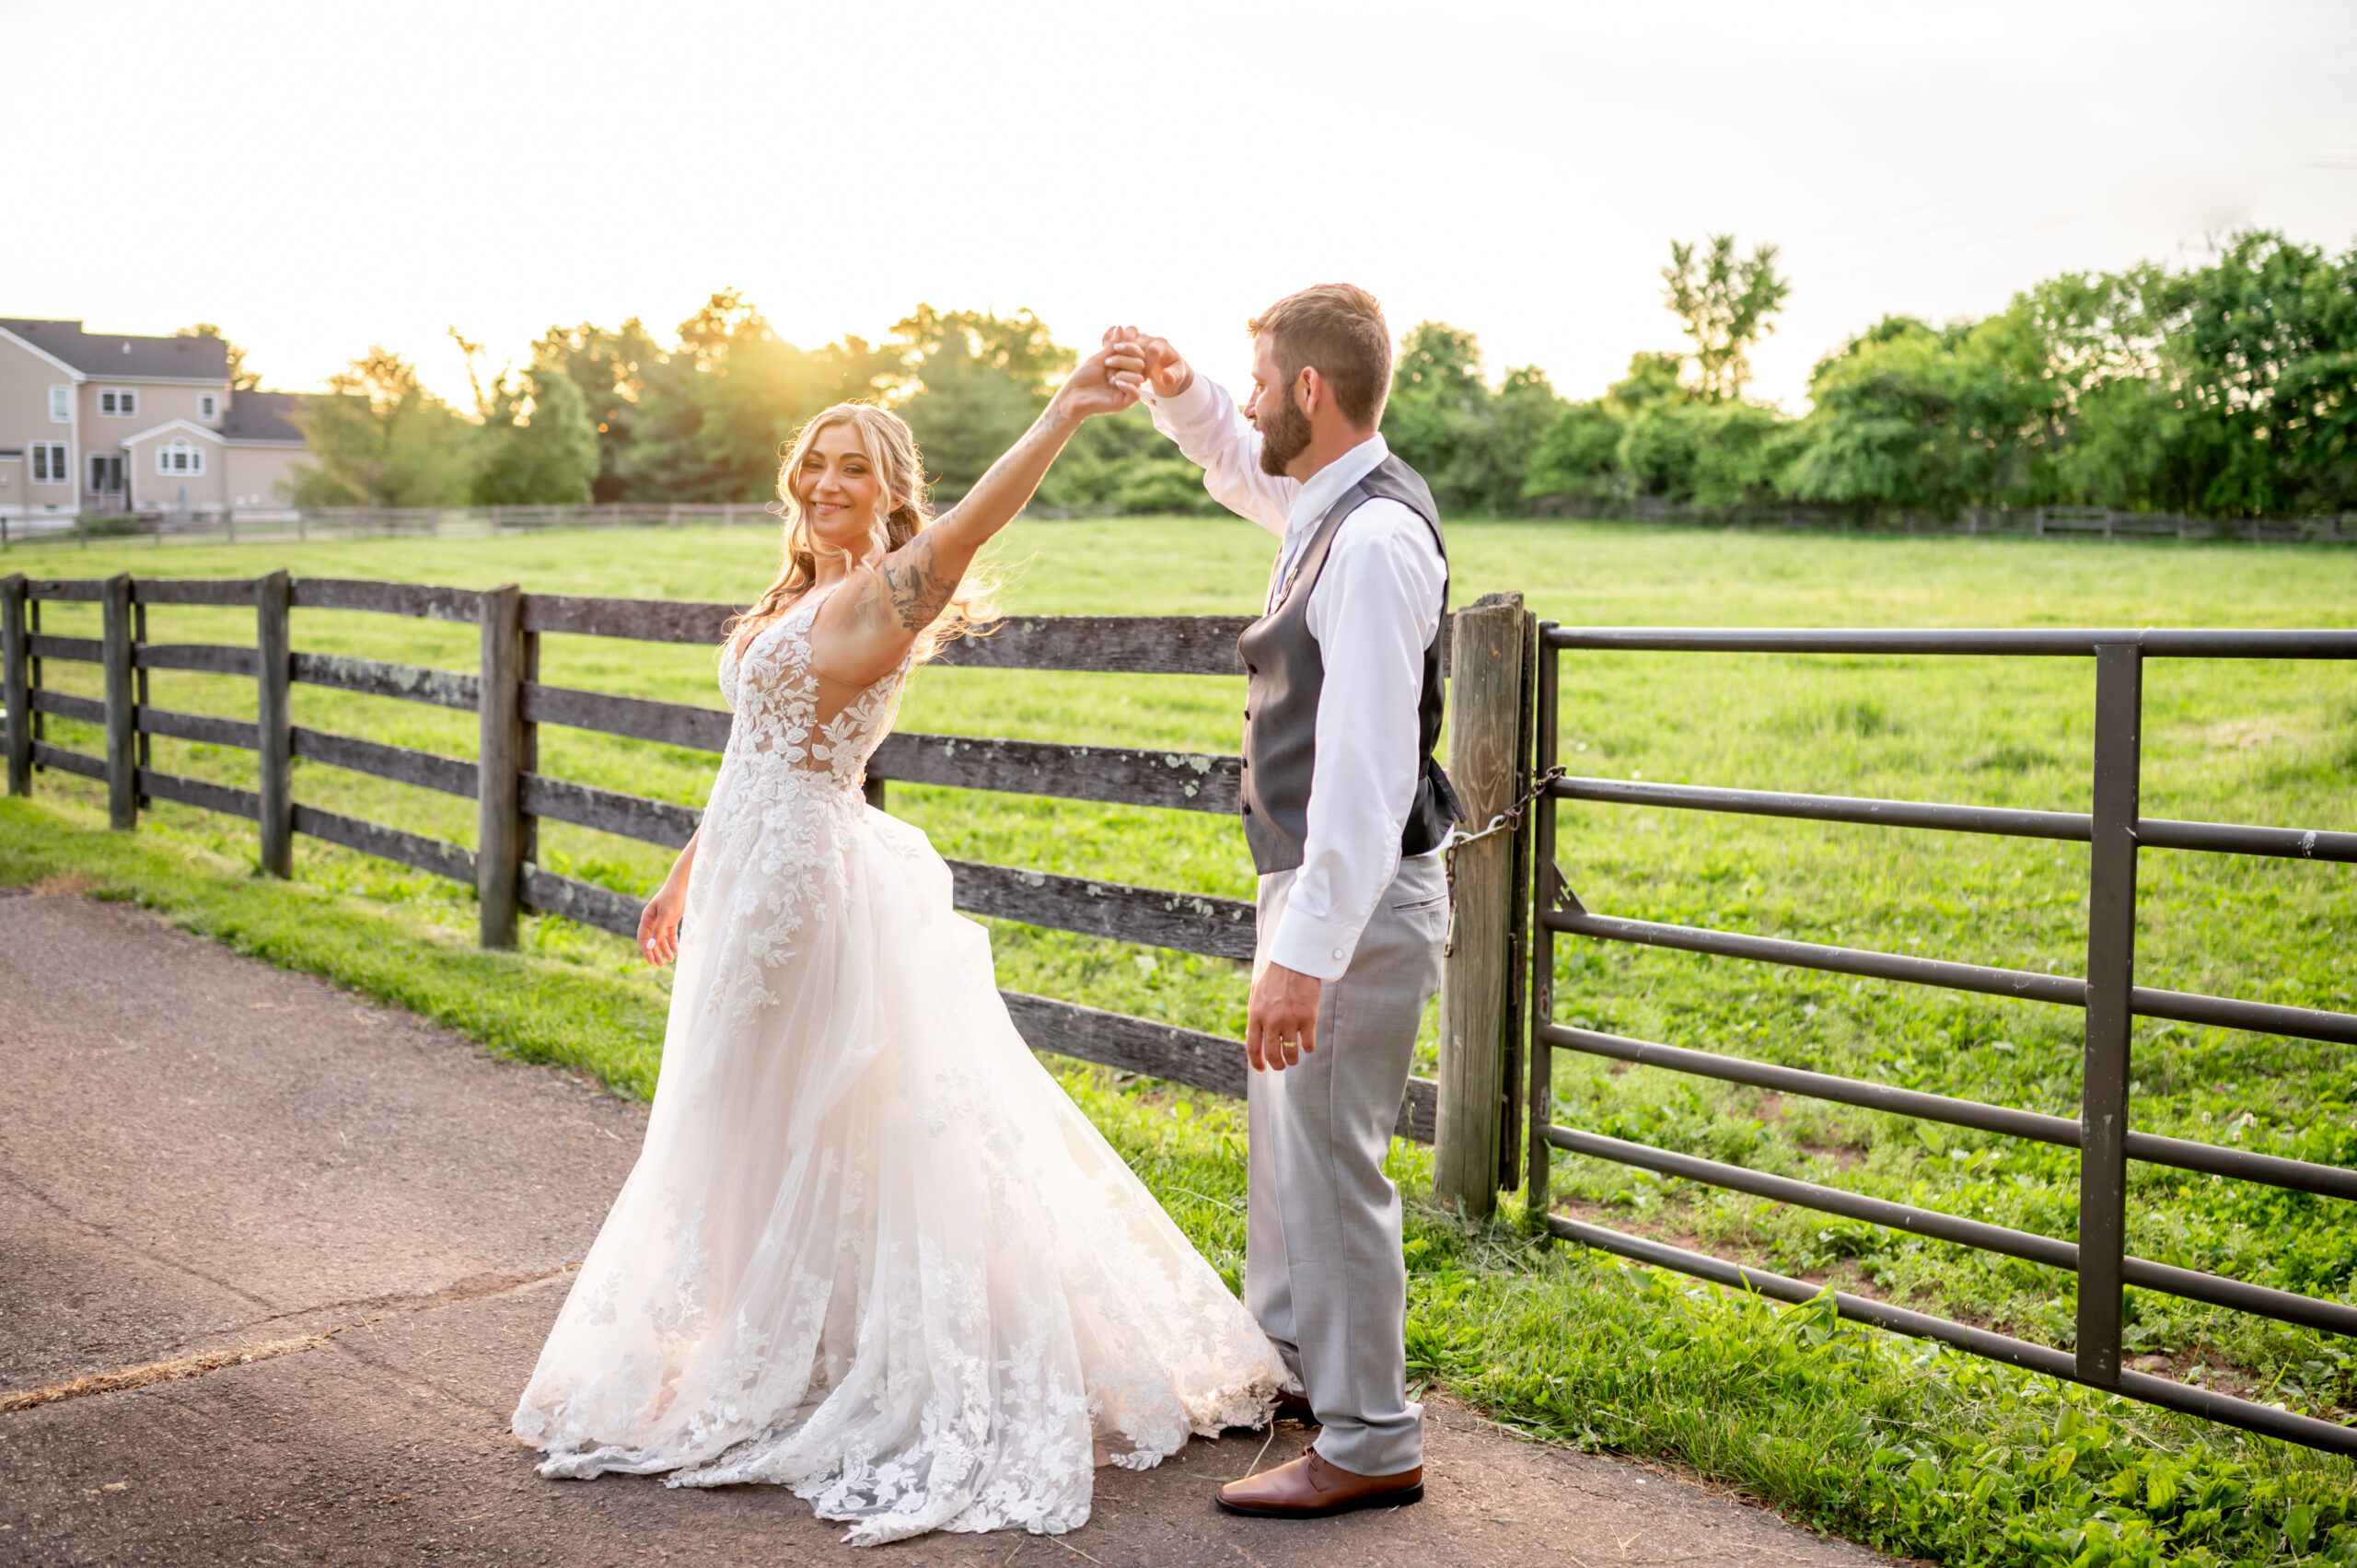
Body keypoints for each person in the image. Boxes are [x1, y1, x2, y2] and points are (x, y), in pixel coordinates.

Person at [510, 345, 1288, 1546]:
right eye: (815, 462)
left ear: (889, 492)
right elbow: (748, 758)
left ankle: (797, 1357)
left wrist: (1063, 413)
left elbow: (973, 529)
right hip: (743, 881)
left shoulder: (883, 598)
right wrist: (682, 875)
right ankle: (764, 1332)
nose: (828, 482)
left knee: (788, 1112)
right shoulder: (787, 603)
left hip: (806, 895)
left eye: (855, 469)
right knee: (736, 1113)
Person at [1113, 285, 1454, 1519]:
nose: (1249, 402)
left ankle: (1371, 1442)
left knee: (1331, 1161)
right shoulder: (1332, 507)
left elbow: (1368, 780)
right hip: (1329, 897)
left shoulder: (1370, 544)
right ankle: (1300, 1374)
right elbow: (1233, 461)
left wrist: (1303, 953)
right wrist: (1179, 387)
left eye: (1258, 381)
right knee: (1292, 1157)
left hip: (1351, 902)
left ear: (1309, 390)